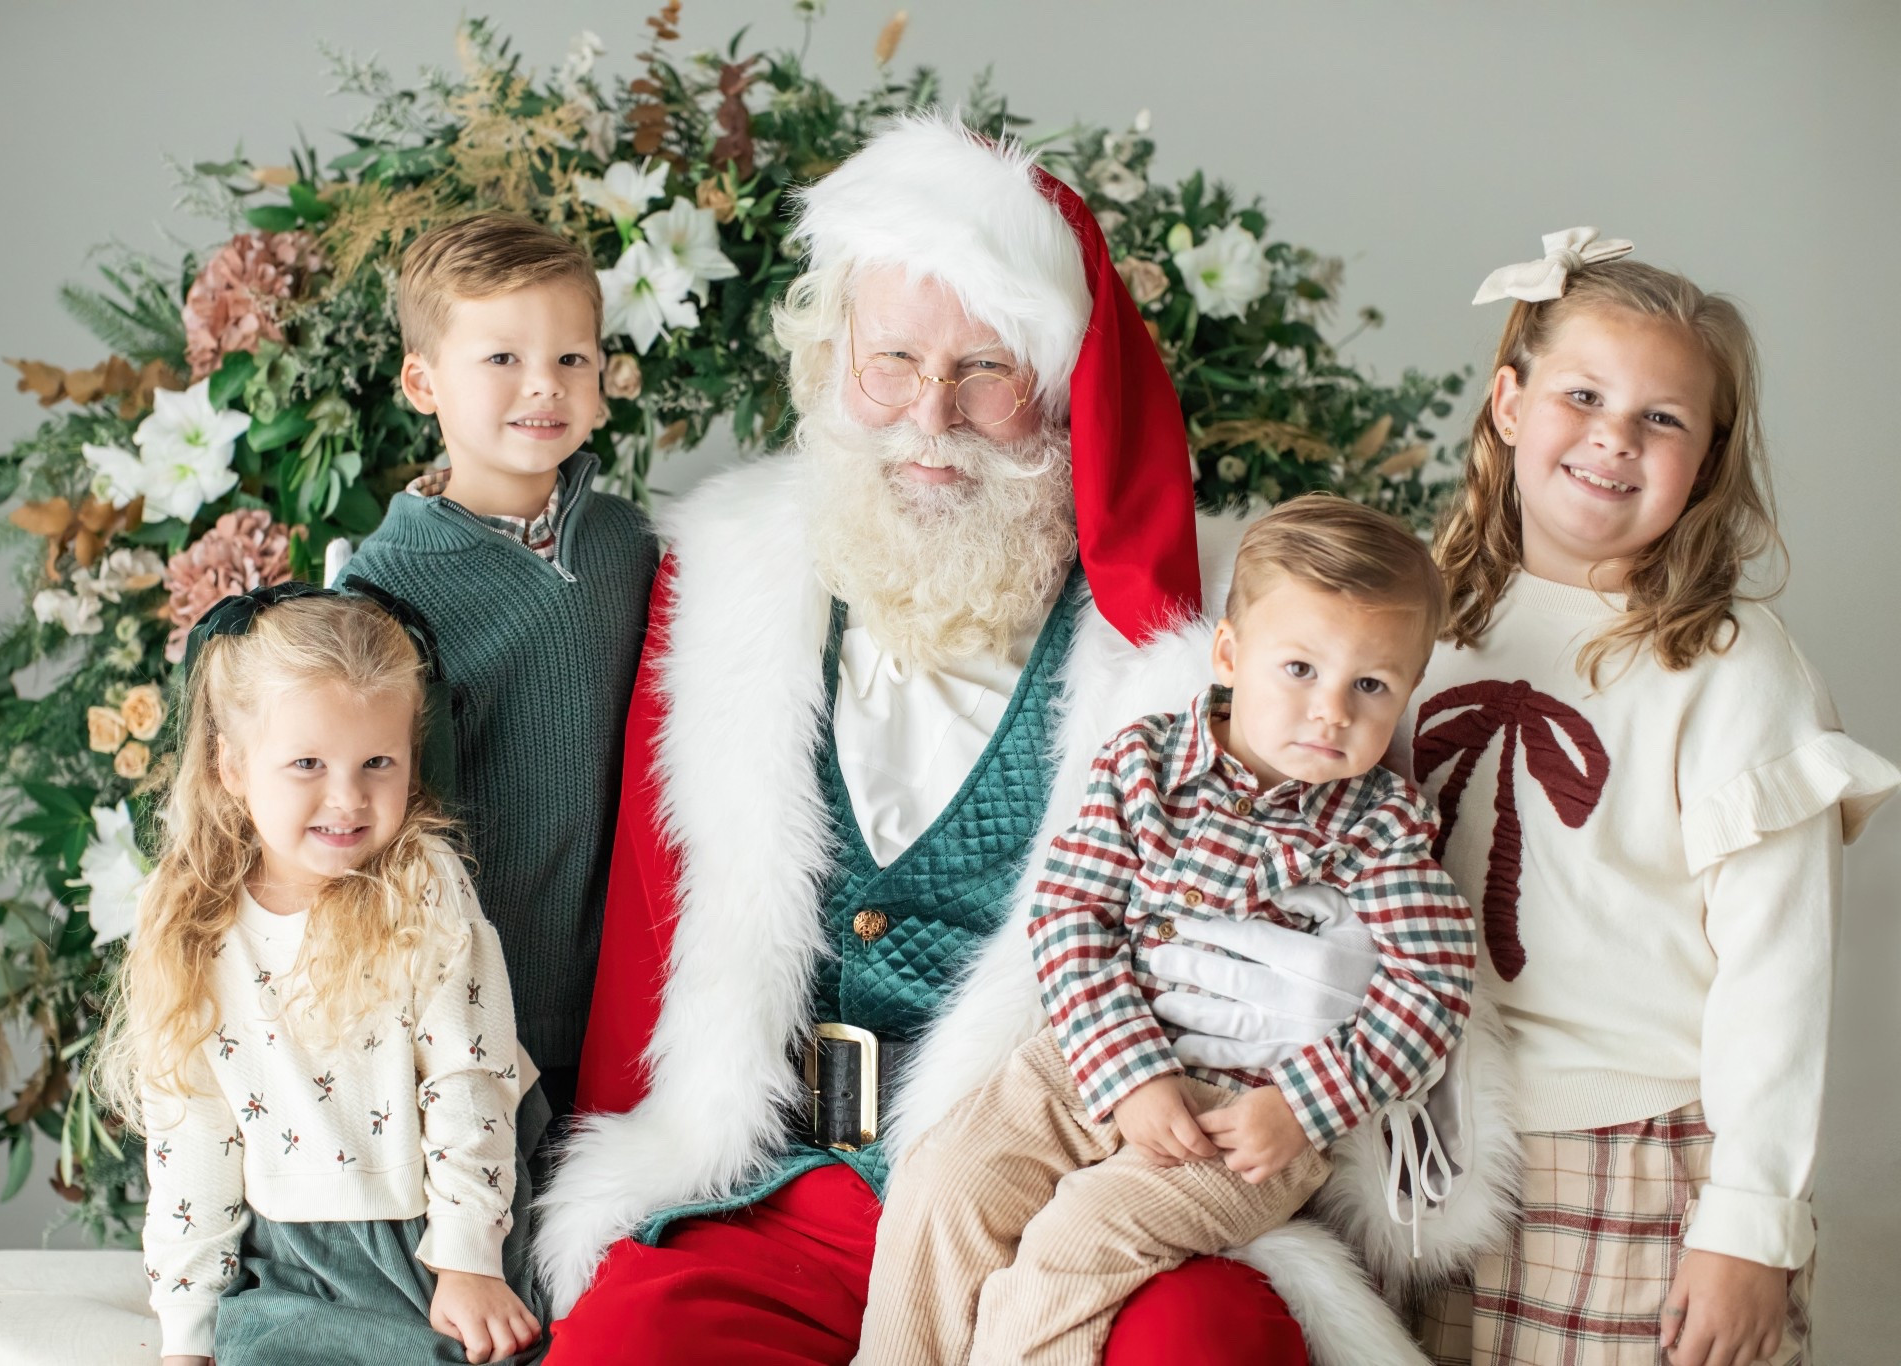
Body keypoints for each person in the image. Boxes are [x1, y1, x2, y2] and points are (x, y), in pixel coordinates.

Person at [535, 112, 1514, 1366]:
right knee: (632, 1343)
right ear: (831, 362)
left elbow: (1405, 939)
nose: (927, 418)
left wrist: (1326, 1021)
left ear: (1055, 397)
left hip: (1096, 1170)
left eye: (983, 371)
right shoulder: (722, 588)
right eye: (889, 359)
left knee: (1202, 1346)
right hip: (789, 1189)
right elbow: (644, 931)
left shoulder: (1213, 646)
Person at [1408, 230, 1900, 1365]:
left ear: (1706, 459)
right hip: (1434, 1148)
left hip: (1637, 1169)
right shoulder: (1424, 629)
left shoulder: (1729, 667)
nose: (1612, 438)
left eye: (1661, 419)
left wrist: (1749, 1223)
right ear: (1506, 404)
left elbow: (1778, 969)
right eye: (1581, 395)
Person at [857, 498, 1479, 1364]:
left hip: (1244, 1120)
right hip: (1090, 1061)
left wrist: (1302, 1107)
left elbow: (1433, 991)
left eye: (1370, 686)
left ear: (1407, 691)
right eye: (1299, 668)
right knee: (945, 1181)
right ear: (1229, 656)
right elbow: (1073, 915)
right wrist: (1130, 1073)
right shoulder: (1143, 761)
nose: (1331, 711)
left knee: (1077, 1241)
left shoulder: (1381, 827)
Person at [92, 587, 543, 1365]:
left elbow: (473, 1074)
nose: (347, 798)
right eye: (306, 763)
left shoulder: (423, 882)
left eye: (378, 763)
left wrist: (468, 1259)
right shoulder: (190, 922)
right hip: (293, 1256)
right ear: (231, 765)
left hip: (445, 1220)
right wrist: (186, 1335)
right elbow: (191, 1138)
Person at [335, 211, 660, 1128]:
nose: (542, 387)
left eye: (571, 359)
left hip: (621, 1003)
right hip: (461, 1021)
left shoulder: (629, 543)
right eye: (502, 359)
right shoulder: (382, 595)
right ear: (422, 381)